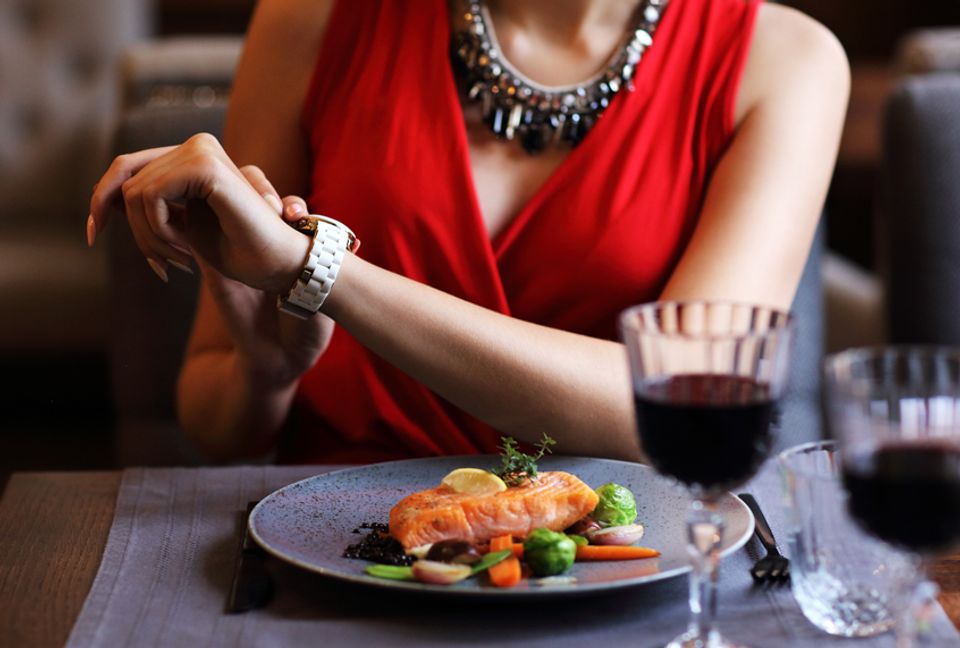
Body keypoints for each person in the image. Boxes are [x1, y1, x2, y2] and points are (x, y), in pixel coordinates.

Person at [87, 0, 849, 464]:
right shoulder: (310, 16)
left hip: (615, 561)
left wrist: (318, 272)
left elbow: (683, 410)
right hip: (334, 551)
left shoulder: (787, 61)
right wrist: (266, 373)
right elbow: (213, 427)